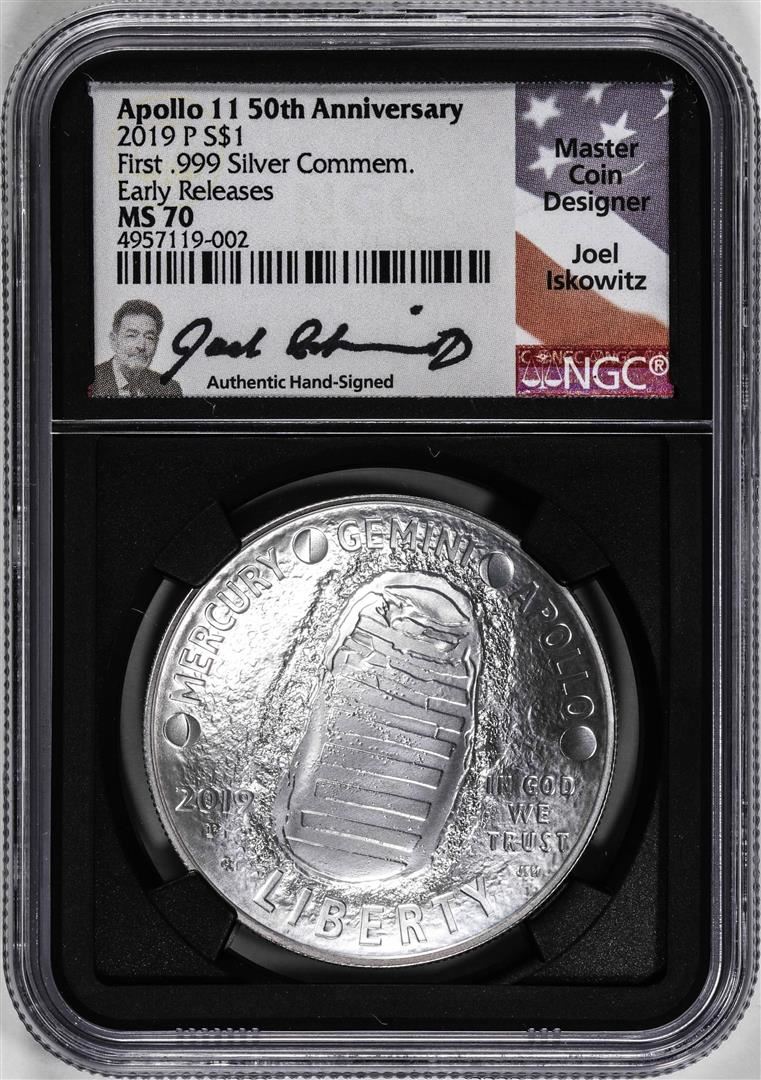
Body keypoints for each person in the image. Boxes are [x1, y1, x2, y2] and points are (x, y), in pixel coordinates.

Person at [91, 300, 182, 398]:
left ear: (156, 343)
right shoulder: (93, 381)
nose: (141, 346)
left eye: (149, 337)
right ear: (114, 341)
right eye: (131, 335)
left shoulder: (169, 389)